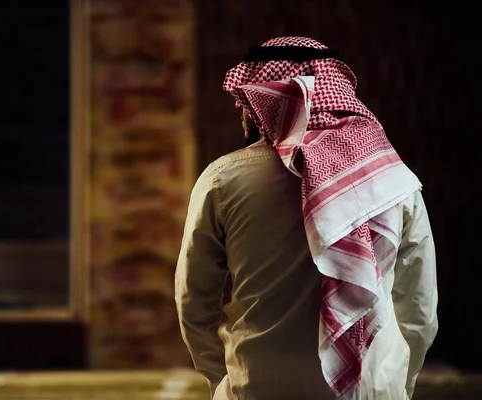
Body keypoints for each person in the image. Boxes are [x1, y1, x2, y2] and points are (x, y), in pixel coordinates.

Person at [174, 36, 438, 399]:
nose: (240, 110)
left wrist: (226, 378)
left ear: (261, 105)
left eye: (245, 101)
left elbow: (194, 302)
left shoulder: (222, 181)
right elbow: (419, 309)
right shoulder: (395, 182)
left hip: (258, 387)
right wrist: (394, 382)